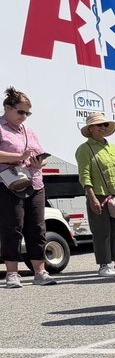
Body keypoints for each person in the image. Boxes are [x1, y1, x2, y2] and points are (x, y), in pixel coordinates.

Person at [1, 86, 56, 287]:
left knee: (37, 227)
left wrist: (38, 162)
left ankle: (40, 272)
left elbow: (41, 157)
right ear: (7, 107)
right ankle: (12, 274)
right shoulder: (0, 127)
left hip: (33, 182)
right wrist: (19, 157)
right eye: (20, 112)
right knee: (12, 227)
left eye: (27, 113)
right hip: (8, 184)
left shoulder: (29, 131)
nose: (24, 116)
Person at [76, 112, 115, 278]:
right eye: (100, 125)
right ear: (91, 128)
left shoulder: (113, 148)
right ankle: (104, 265)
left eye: (105, 125)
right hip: (99, 195)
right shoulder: (84, 149)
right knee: (101, 231)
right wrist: (92, 197)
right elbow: (84, 175)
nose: (104, 127)